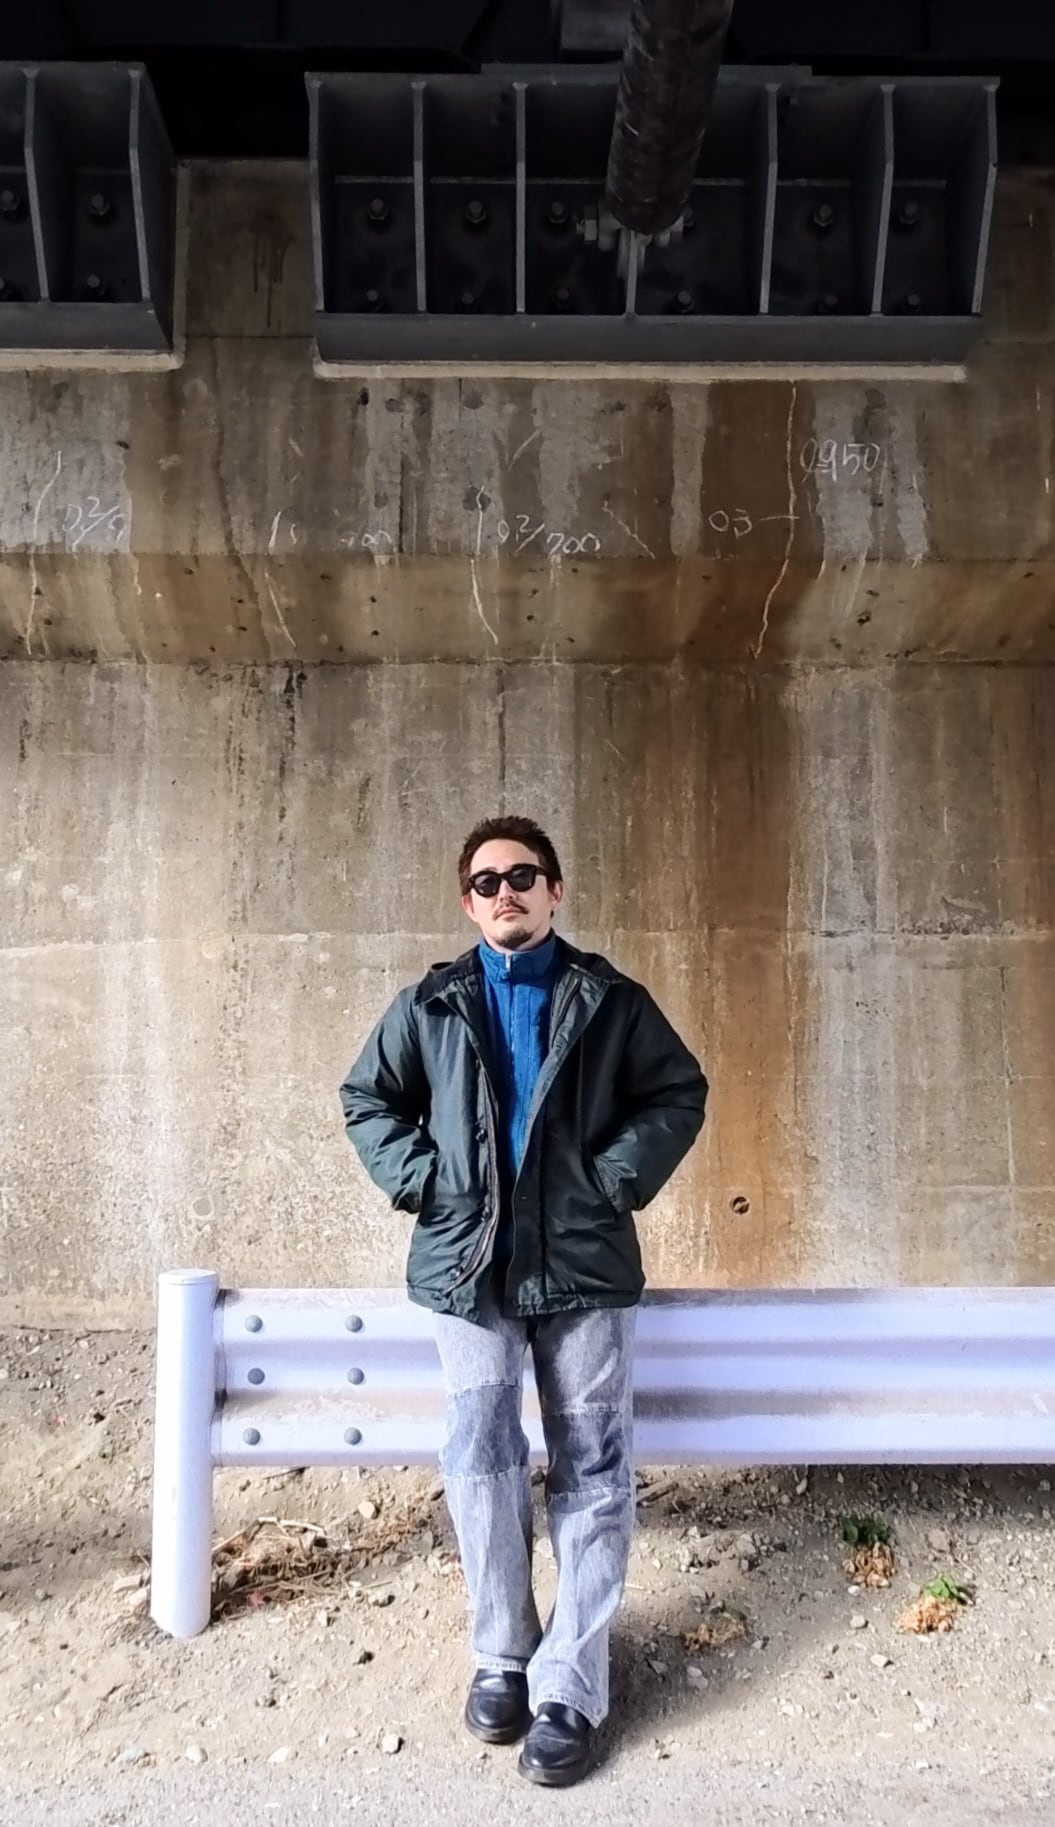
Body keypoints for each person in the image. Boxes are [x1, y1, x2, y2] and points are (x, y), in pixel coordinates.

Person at [339, 815, 707, 1787]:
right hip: (468, 1273)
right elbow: (367, 1098)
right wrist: (426, 1180)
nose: (505, 891)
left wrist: (612, 1180)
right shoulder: (429, 1005)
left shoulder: (611, 1002)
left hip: (583, 1268)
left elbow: (676, 1091)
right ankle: (502, 1652)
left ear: (554, 892)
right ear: (468, 903)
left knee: (593, 1463)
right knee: (480, 1451)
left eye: (523, 875)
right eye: (486, 880)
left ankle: (569, 1685)